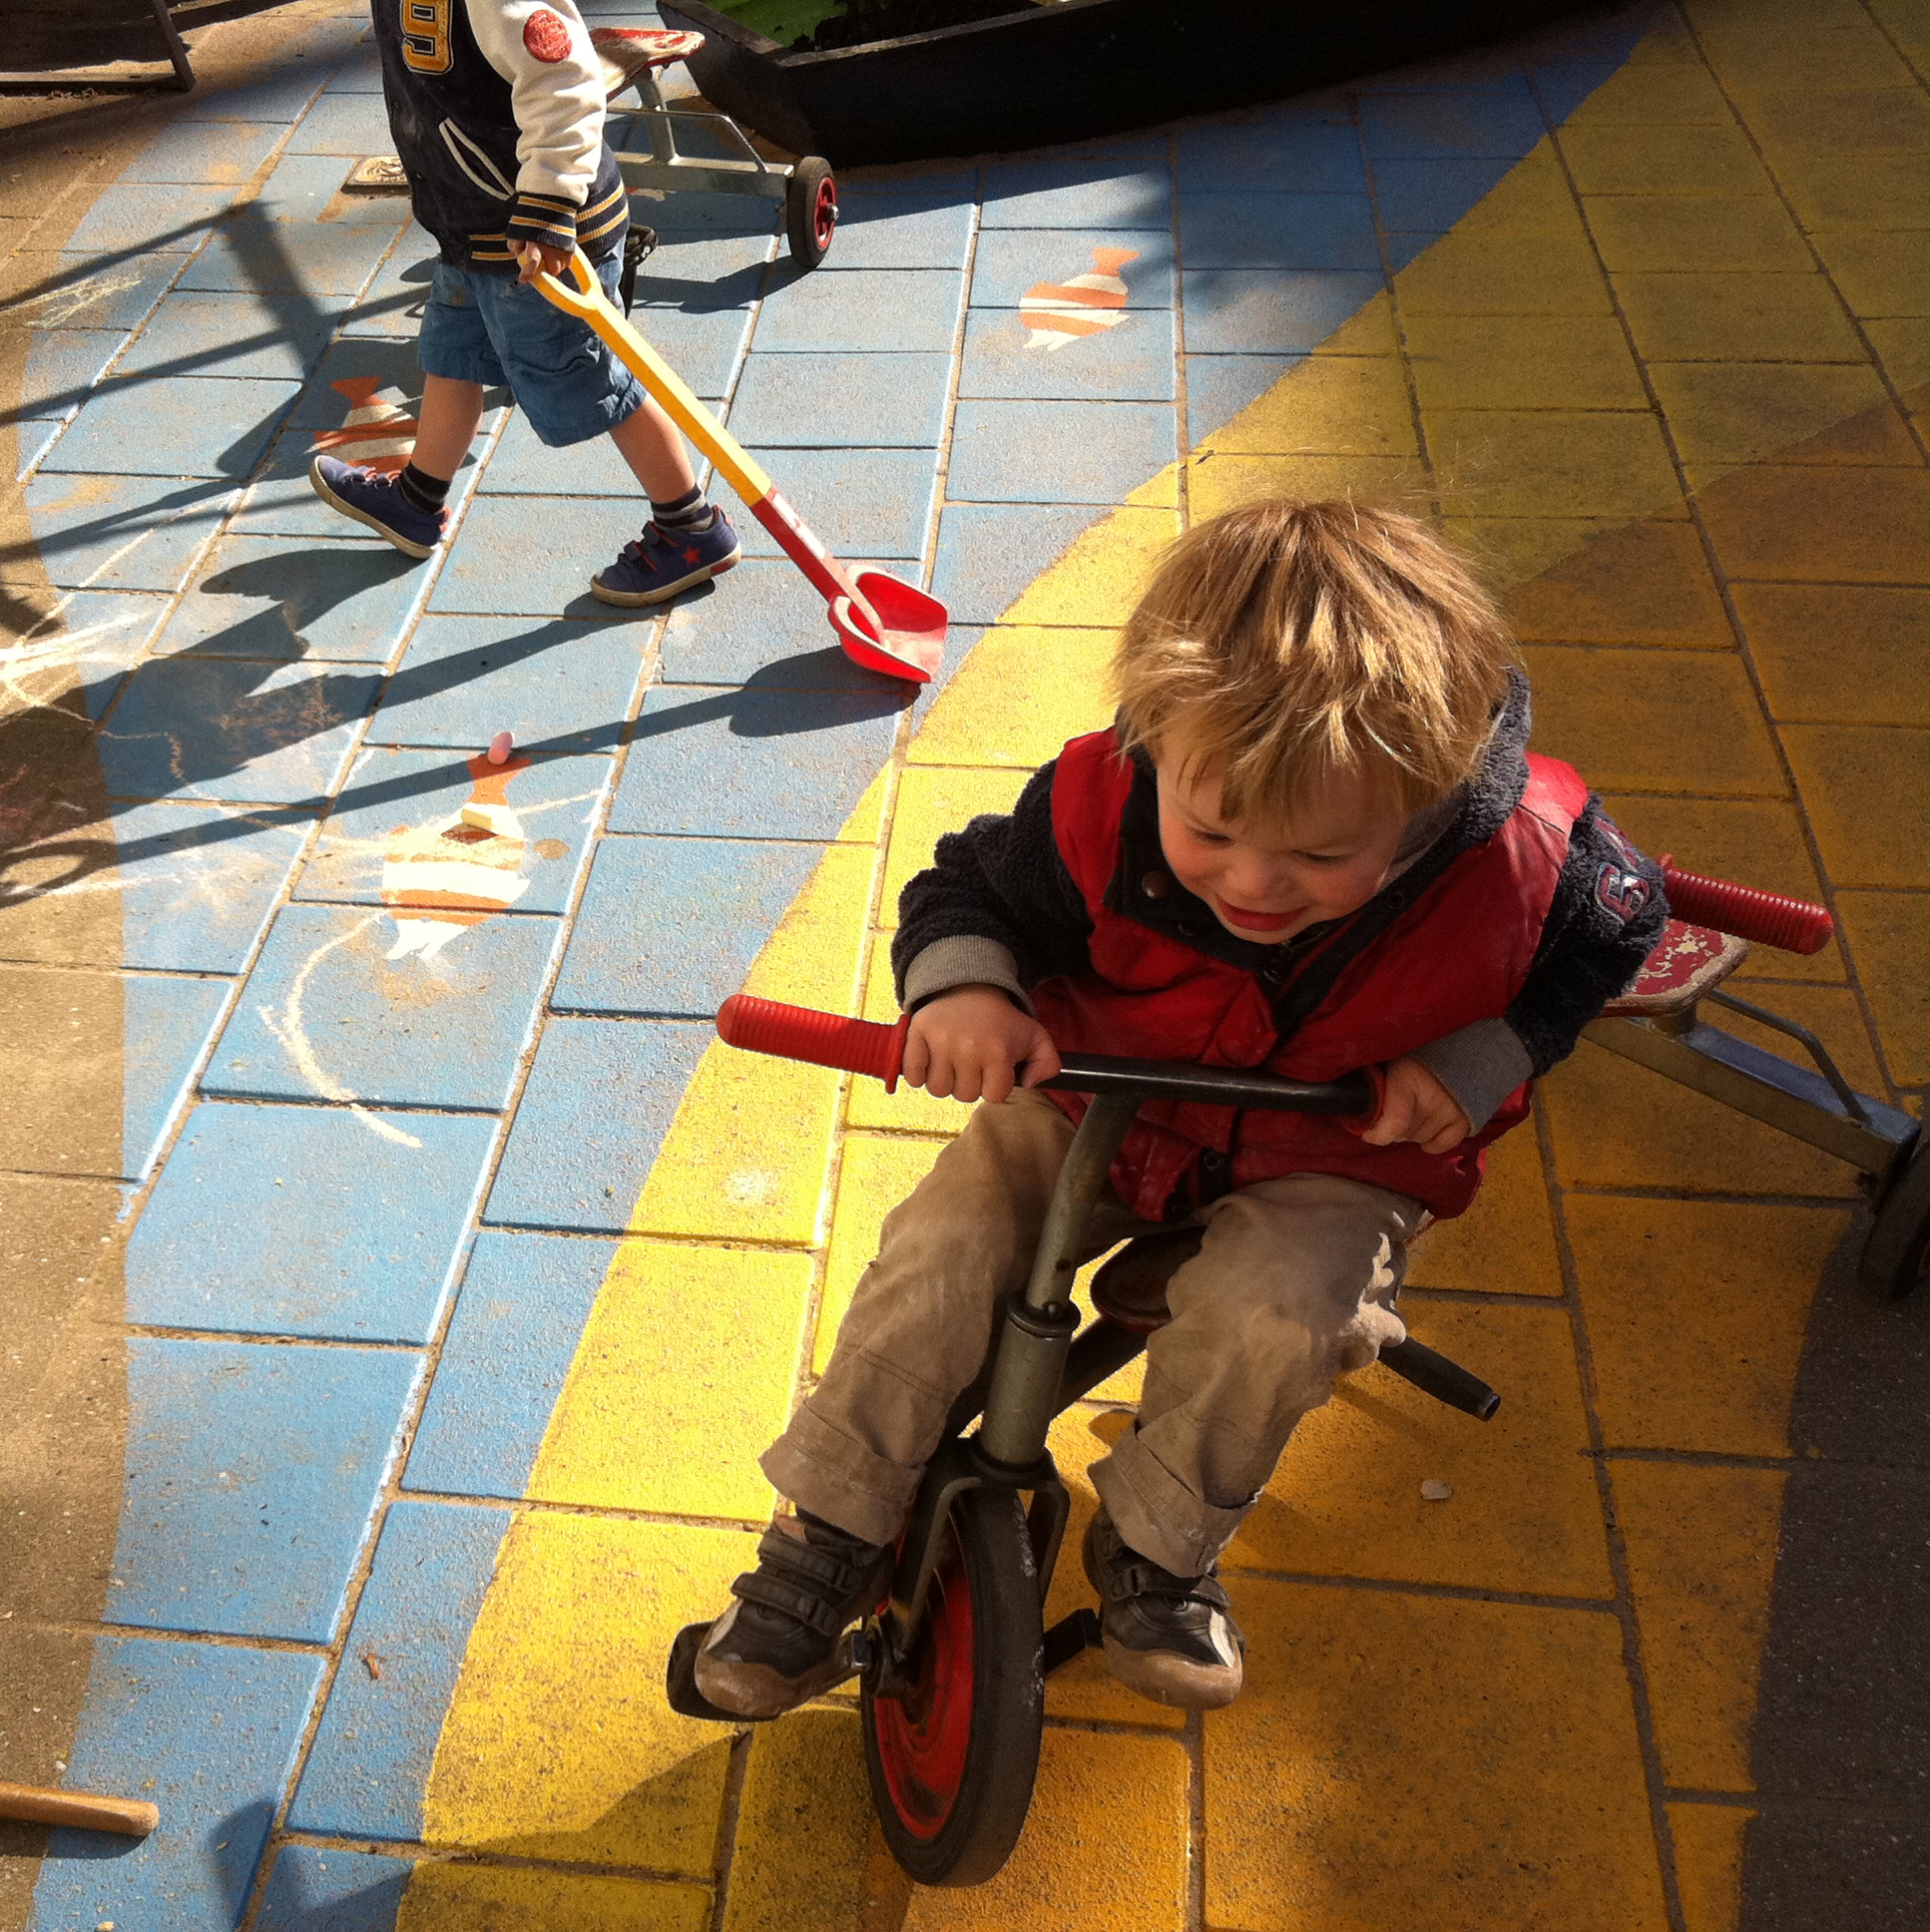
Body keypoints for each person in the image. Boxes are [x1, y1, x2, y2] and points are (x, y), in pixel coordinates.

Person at [689, 499, 1667, 1717]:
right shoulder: (1100, 799)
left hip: (1331, 1140)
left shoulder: (1529, 858)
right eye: (1210, 830)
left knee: (1286, 1312)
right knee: (943, 1249)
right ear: (1156, 731)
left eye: (1321, 857)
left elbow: (1623, 924)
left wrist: (1480, 1059)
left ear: (1431, 788)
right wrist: (968, 990)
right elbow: (969, 888)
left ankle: (1161, 1543)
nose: (1254, 880)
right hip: (1092, 1096)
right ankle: (829, 1527)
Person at [312, 0, 737, 605]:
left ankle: (690, 526)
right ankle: (418, 499)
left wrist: (547, 205)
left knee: (592, 379)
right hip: (474, 226)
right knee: (451, 356)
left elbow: (565, 82)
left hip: (540, 234)